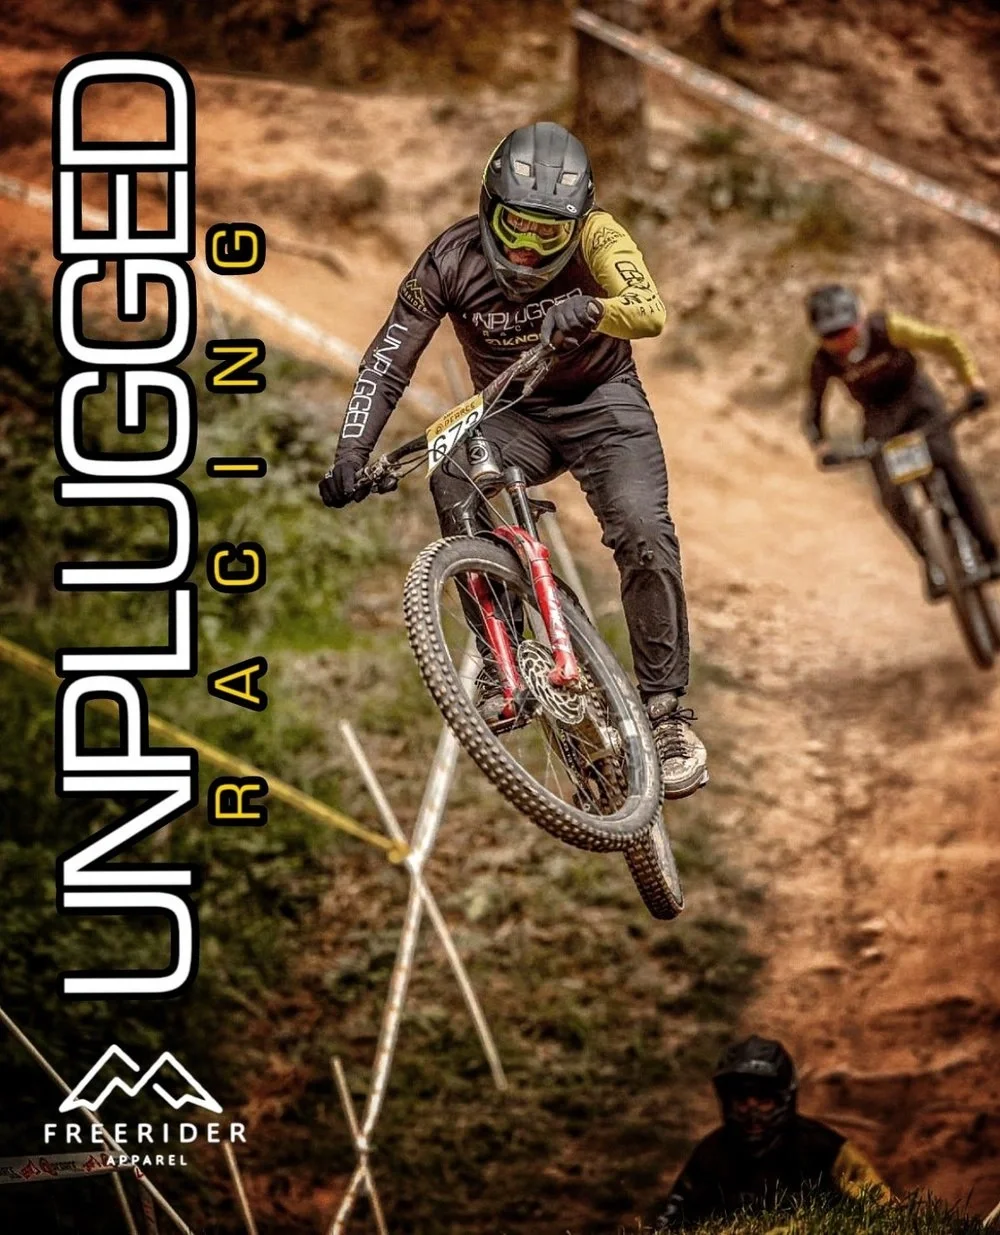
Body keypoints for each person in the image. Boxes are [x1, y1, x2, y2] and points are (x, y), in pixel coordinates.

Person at [319, 121, 708, 800]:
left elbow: (649, 312)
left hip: (603, 402)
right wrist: (354, 446)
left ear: (576, 225)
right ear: (487, 207)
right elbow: (389, 357)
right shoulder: (448, 259)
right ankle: (506, 661)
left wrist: (593, 309)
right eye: (516, 228)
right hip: (512, 411)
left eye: (547, 235)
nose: (527, 252)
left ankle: (669, 715)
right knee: (452, 478)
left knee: (643, 530)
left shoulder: (599, 235)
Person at [803, 283, 996, 601]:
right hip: (879, 421)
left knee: (947, 463)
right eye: (829, 336)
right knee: (890, 497)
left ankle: (990, 549)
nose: (840, 341)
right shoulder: (823, 362)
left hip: (918, 403)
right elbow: (813, 406)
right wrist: (820, 445)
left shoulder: (888, 328)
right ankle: (933, 562)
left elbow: (945, 342)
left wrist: (972, 383)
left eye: (845, 330)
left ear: (860, 318)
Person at [655, 1036, 891, 1230]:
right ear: (727, 1102)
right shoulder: (710, 1155)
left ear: (783, 1101)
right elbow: (670, 1221)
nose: (752, 1112)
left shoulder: (824, 1150)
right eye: (742, 1101)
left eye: (763, 1100)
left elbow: (883, 1211)